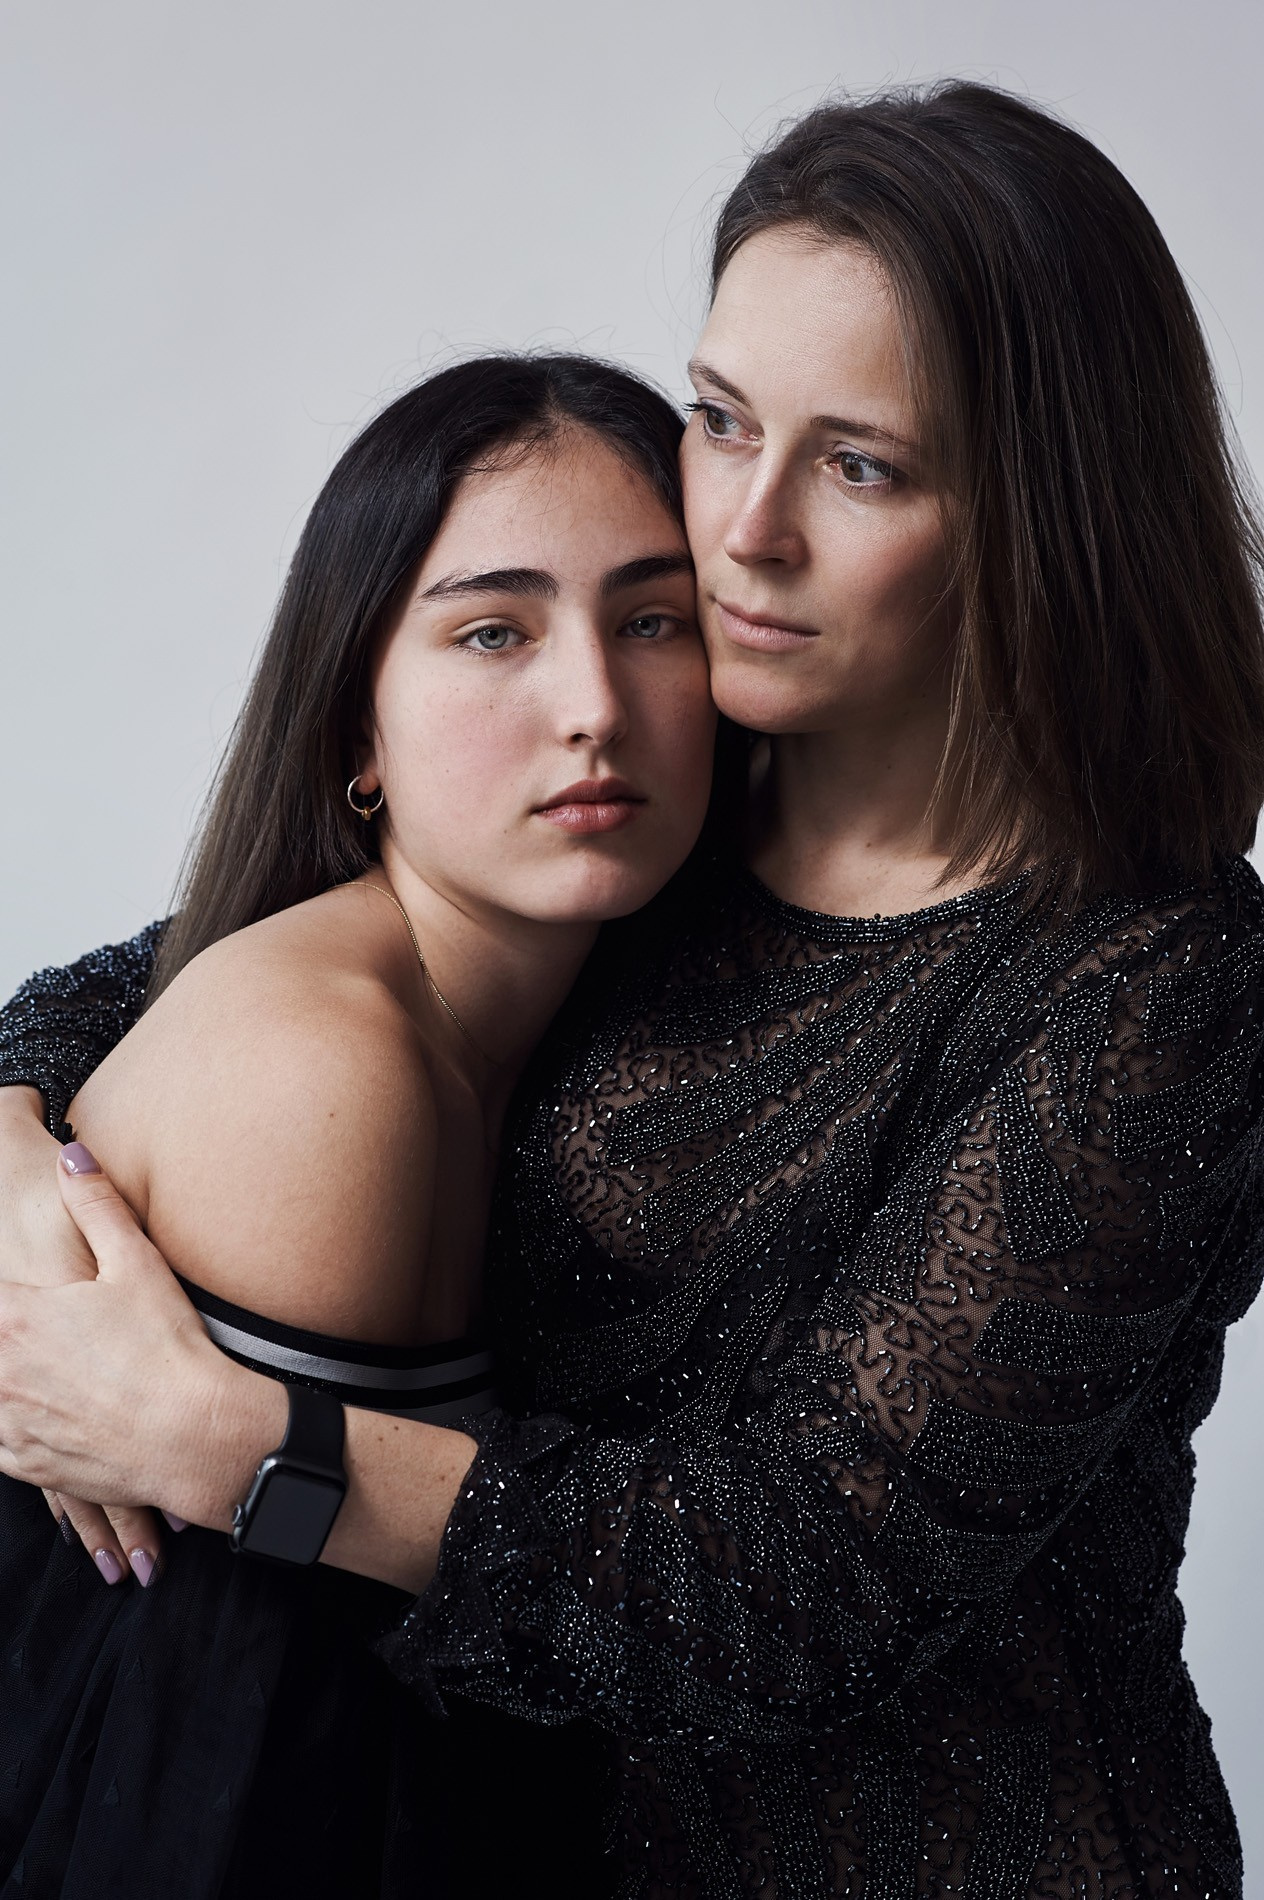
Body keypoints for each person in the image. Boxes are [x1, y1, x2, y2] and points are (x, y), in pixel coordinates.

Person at [2, 79, 1264, 1899]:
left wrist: (235, 1445)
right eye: (721, 419)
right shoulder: (666, 788)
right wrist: (19, 1195)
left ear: (1036, 510)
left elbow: (804, 1585)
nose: (742, 531)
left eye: (860, 465)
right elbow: (158, 975)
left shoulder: (1161, 983)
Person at [0, 351, 717, 1896]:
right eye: (492, 634)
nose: (594, 705)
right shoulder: (327, 1077)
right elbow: (226, 1799)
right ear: (358, 739)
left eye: (654, 620)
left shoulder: (590, 981)